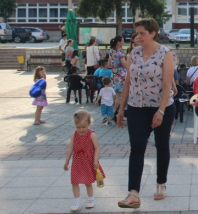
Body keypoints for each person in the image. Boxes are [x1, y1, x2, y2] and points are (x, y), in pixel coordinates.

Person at [117, 18, 176, 208]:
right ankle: (133, 193)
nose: (137, 37)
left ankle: (161, 183)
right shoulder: (133, 53)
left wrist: (160, 110)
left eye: (142, 33)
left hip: (161, 106)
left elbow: (167, 84)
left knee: (161, 144)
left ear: (152, 33)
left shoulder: (165, 54)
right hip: (136, 107)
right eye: (137, 33)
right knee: (137, 147)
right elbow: (127, 82)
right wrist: (121, 109)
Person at [64, 109, 104, 212]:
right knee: (74, 181)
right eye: (78, 127)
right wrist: (67, 160)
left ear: (89, 124)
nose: (81, 130)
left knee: (88, 182)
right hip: (77, 161)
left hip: (88, 161)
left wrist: (95, 160)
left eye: (83, 127)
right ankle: (76, 200)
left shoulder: (92, 135)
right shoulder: (74, 134)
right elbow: (70, 148)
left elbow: (97, 148)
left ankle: (90, 199)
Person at [109, 36, 126, 113]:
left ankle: (113, 111)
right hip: (120, 74)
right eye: (122, 40)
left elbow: (109, 63)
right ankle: (117, 112)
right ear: (118, 42)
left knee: (116, 94)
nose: (123, 42)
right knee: (120, 95)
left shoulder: (111, 51)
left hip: (114, 73)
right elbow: (124, 64)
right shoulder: (120, 52)